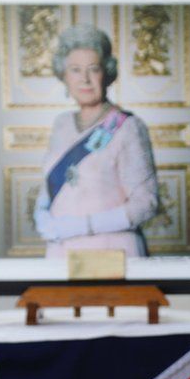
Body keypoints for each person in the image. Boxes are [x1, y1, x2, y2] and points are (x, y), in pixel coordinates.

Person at [33, 24, 158, 258]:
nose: (85, 79)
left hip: (113, 253)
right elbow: (53, 183)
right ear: (64, 76)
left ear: (107, 73)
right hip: (62, 251)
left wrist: (81, 227)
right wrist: (41, 212)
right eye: (75, 70)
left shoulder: (128, 127)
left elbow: (145, 204)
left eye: (93, 69)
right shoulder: (61, 124)